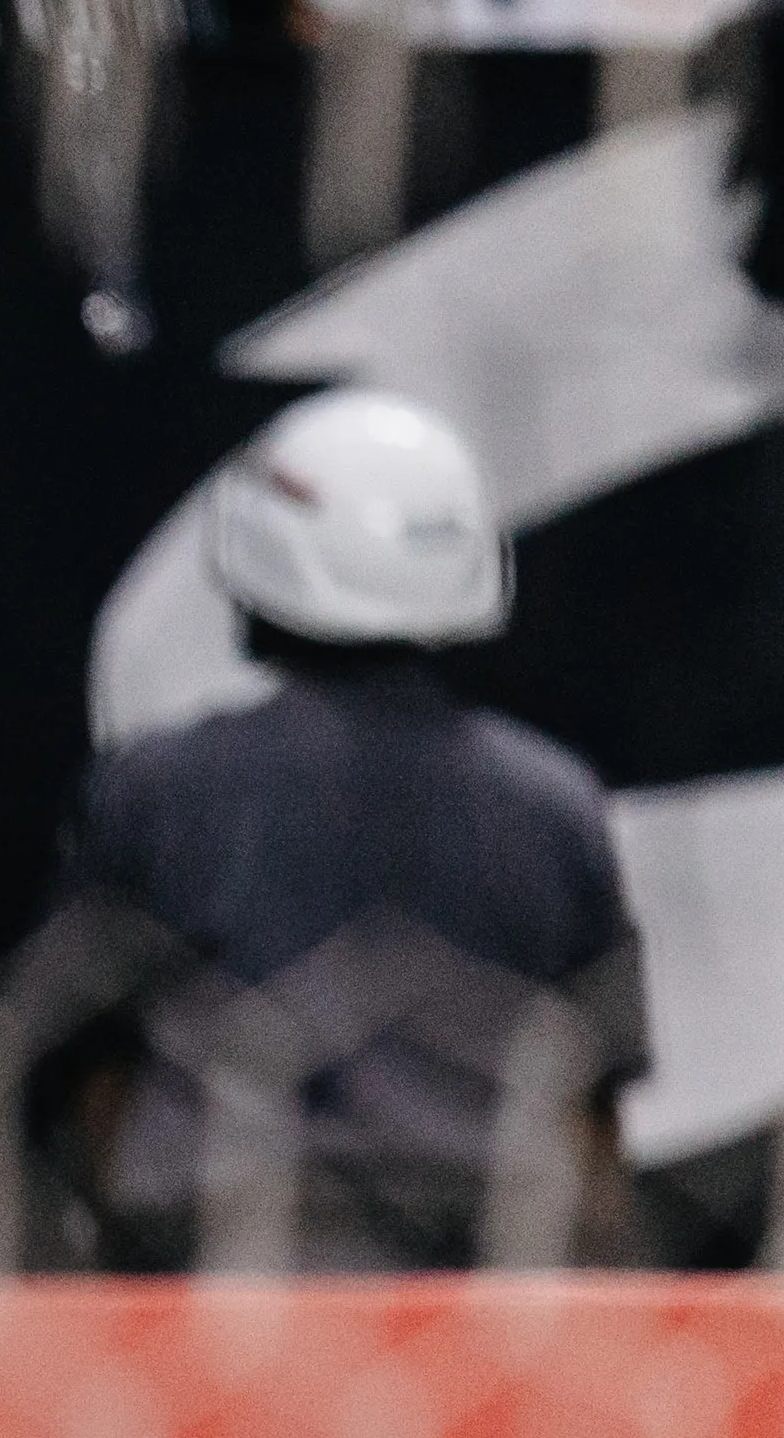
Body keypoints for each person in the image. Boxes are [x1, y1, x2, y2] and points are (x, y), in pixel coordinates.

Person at [54, 388, 647, 1272]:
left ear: (261, 553)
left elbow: (84, 1068)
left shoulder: (153, 789)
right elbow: (593, 1113)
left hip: (212, 1266)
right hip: (475, 1281)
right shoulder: (554, 803)